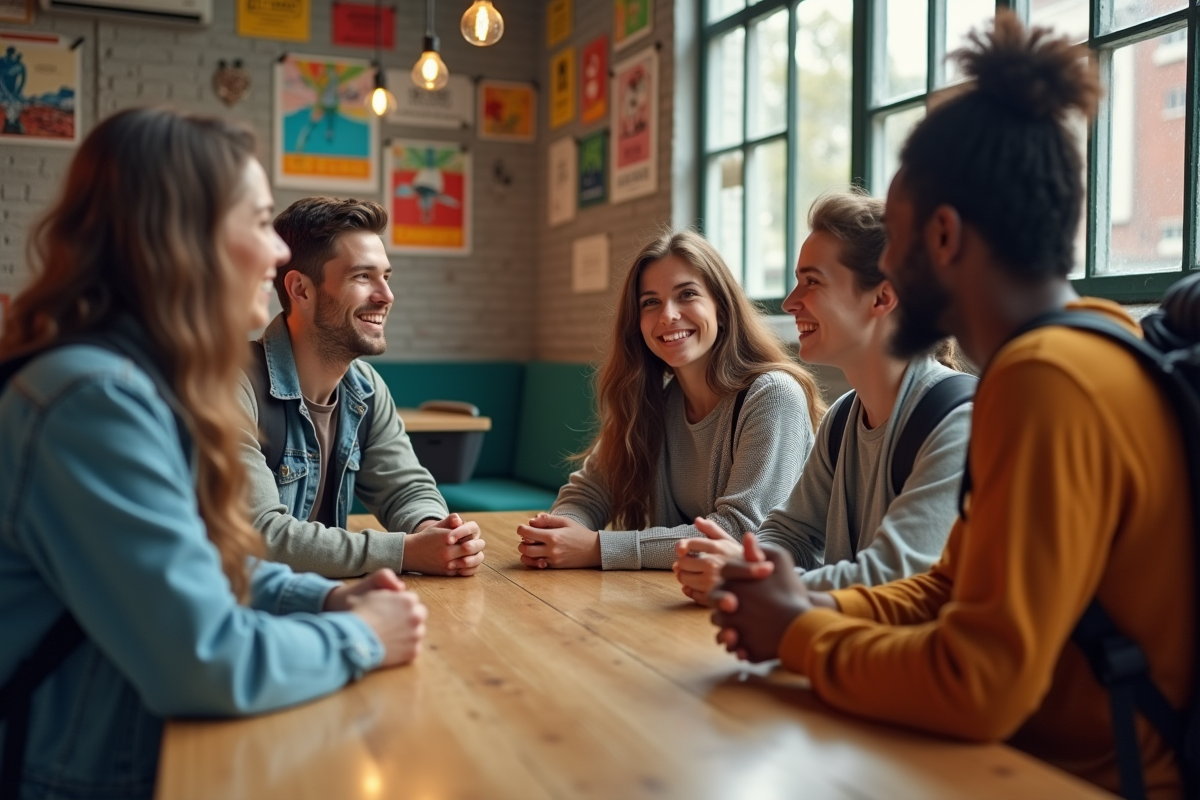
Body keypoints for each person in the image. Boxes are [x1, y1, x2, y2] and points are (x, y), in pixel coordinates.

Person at [706, 14, 1192, 799]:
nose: (888, 265)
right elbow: (947, 590)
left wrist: (799, 635)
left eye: (893, 237)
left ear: (942, 235)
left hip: (1079, 781)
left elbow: (978, 683)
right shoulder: (1092, 342)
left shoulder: (1047, 380)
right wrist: (808, 604)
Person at [0, 107, 427, 799]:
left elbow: (193, 573)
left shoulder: (132, 382)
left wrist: (323, 598)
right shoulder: (93, 400)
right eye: (260, 222)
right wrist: (363, 638)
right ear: (184, 235)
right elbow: (204, 659)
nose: (280, 253)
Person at [673, 191, 972, 599]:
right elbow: (791, 532)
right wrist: (744, 560)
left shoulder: (959, 420)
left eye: (811, 281)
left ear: (883, 297)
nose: (790, 302)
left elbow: (893, 577)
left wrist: (748, 577)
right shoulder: (843, 417)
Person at [517, 229, 824, 570]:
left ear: (721, 309)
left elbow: (740, 535)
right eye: (650, 302)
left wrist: (596, 548)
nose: (667, 315)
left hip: (778, 605)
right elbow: (589, 493)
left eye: (687, 294)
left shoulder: (773, 395)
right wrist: (558, 532)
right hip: (683, 594)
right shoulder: (657, 403)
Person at [240, 196, 484, 579]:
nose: (386, 296)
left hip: (325, 602)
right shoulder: (233, 383)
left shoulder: (365, 388)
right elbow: (258, 536)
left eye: (386, 276)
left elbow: (406, 487)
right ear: (300, 290)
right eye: (362, 276)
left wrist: (435, 531)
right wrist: (406, 552)